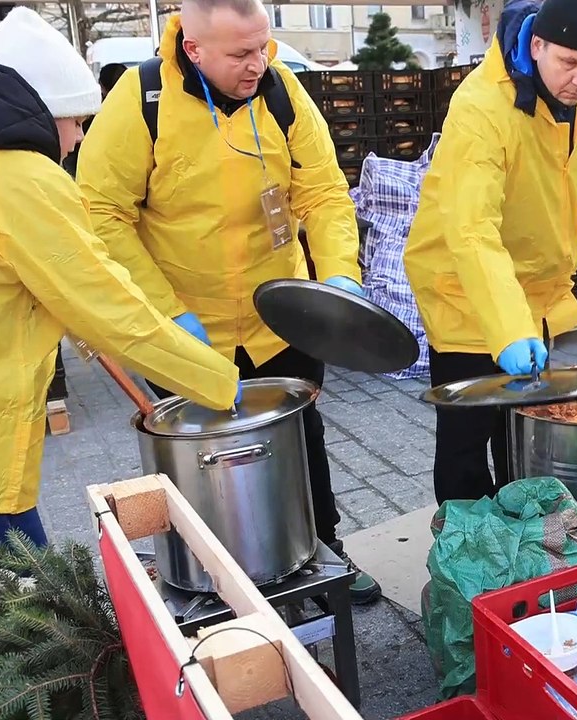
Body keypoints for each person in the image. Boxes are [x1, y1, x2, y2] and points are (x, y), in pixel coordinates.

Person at [75, 0, 380, 602]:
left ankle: (326, 554)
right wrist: (164, 312)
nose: (258, 62)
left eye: (263, 46)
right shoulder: (142, 101)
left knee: (299, 438)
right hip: (187, 329)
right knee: (200, 459)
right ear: (195, 50)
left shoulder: (283, 93)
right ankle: (216, 576)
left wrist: (340, 274)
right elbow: (102, 212)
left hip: (280, 317)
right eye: (242, 53)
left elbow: (322, 191)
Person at [0, 8, 239, 556]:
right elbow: (109, 307)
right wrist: (217, 382)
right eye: (76, 121)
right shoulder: (25, 180)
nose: (76, 140)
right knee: (4, 605)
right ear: (40, 112)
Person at [404, 0, 577, 504]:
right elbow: (472, 230)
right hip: (463, 292)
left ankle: (520, 537)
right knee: (465, 437)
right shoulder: (481, 105)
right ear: (537, 44)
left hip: (533, 294)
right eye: (569, 62)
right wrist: (508, 329)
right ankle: (464, 548)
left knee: (521, 431)